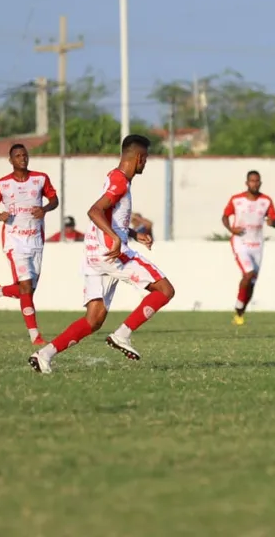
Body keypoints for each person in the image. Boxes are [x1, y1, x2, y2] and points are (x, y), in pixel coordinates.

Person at [28, 134, 176, 374]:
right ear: (139, 158)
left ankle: (44, 355)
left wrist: (132, 234)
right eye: (146, 158)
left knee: (93, 319)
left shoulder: (114, 177)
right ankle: (122, 334)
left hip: (94, 255)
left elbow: (109, 216)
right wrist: (116, 239)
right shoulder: (120, 182)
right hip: (111, 253)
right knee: (165, 290)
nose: (146, 163)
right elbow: (94, 211)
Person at [0, 144, 59, 345]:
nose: (22, 158)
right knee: (25, 286)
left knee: (28, 291)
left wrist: (45, 209)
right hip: (14, 240)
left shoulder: (40, 178)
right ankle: (35, 336)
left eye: (25, 155)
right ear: (11, 160)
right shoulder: (2, 184)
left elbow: (54, 200)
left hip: (35, 239)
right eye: (17, 156)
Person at [222, 170, 275, 325]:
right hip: (240, 242)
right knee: (248, 273)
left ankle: (240, 312)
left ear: (260, 183)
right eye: (252, 181)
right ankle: (238, 306)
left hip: (257, 244)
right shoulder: (237, 200)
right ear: (247, 183)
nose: (255, 184)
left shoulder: (266, 201)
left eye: (257, 181)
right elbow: (225, 216)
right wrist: (231, 229)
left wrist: (273, 222)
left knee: (252, 282)